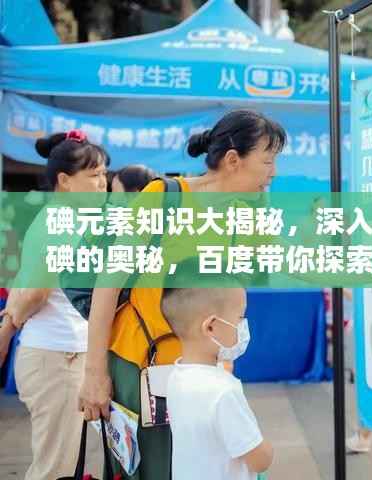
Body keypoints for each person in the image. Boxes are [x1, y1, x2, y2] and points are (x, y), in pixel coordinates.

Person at [77, 110, 286, 480]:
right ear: (233, 160)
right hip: (141, 366)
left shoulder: (246, 214)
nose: (274, 172)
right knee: (152, 470)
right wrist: (94, 372)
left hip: (203, 374)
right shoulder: (164, 198)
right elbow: (108, 284)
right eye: (268, 161)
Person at [0, 129, 109, 480]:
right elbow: (35, 292)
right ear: (64, 180)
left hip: (61, 354)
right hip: (58, 358)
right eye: (93, 175)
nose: (102, 183)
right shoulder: (60, 222)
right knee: (55, 469)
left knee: (66, 465)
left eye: (104, 174)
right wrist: (9, 326)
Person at [163, 283, 273, 480]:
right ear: (211, 327)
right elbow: (259, 460)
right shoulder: (224, 391)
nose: (243, 326)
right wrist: (267, 449)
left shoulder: (175, 377)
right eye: (240, 317)